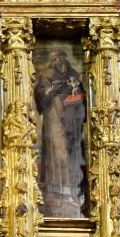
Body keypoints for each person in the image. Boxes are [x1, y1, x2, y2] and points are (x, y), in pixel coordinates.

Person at [34, 50, 83, 212]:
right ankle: (57, 190)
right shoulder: (47, 75)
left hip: (71, 116)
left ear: (63, 58)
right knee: (57, 150)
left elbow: (80, 92)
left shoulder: (72, 73)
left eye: (57, 58)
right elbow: (41, 95)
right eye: (53, 59)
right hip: (54, 115)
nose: (55, 61)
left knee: (72, 150)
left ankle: (74, 190)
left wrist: (75, 90)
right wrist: (53, 90)